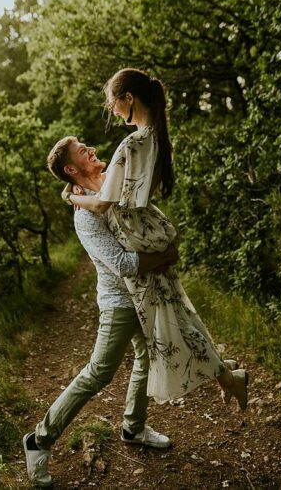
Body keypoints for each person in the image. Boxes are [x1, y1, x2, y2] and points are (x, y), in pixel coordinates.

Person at [63, 68, 249, 402]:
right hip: (148, 229)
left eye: (113, 103)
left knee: (170, 324)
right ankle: (227, 375)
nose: (113, 110)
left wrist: (71, 196)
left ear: (129, 98)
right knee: (175, 315)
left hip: (136, 235)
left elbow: (105, 203)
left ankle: (227, 376)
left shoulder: (133, 142)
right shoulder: (153, 136)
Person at [23, 137, 181, 487]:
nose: (91, 150)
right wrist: (164, 256)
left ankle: (133, 427)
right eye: (83, 151)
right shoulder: (84, 219)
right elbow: (124, 264)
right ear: (71, 169)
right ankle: (39, 440)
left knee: (146, 358)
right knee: (98, 373)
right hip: (120, 303)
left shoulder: (107, 183)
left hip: (143, 295)